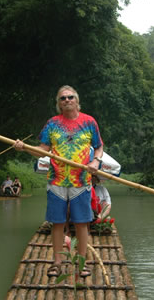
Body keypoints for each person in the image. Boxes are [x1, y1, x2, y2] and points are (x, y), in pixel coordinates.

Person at [14, 85, 103, 278]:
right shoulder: (52, 124)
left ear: (77, 101)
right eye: (63, 98)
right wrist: (24, 148)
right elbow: (43, 149)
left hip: (81, 182)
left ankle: (81, 263)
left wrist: (96, 161)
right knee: (57, 223)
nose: (67, 100)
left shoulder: (89, 122)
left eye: (70, 97)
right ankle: (57, 263)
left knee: (81, 223)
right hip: (57, 182)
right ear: (59, 104)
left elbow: (99, 146)